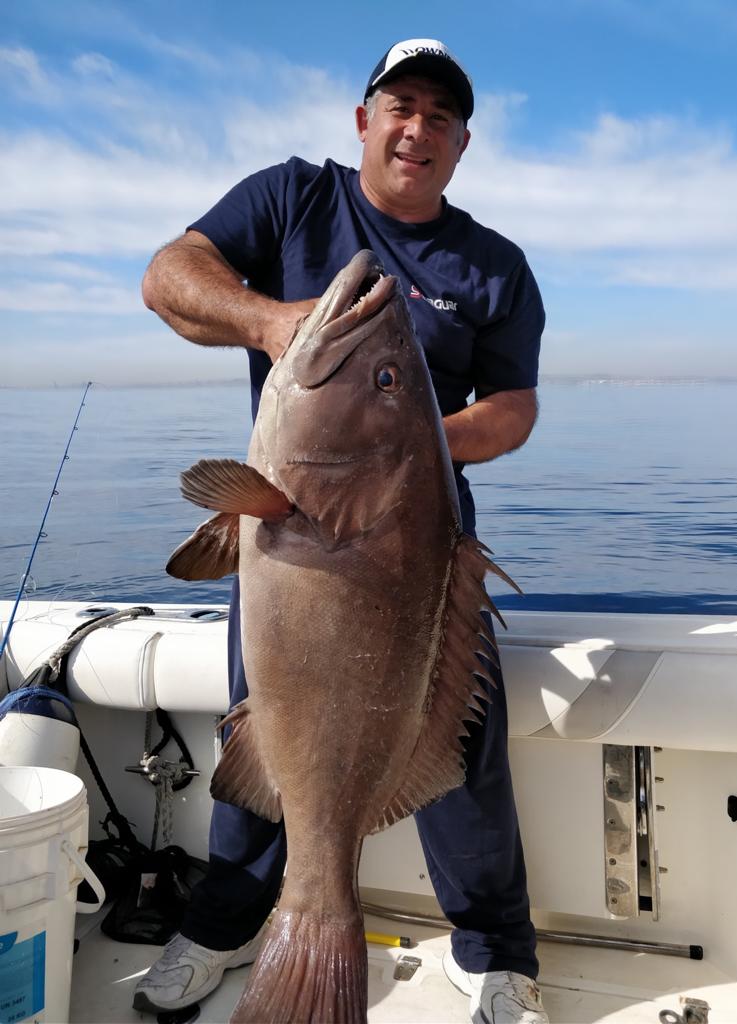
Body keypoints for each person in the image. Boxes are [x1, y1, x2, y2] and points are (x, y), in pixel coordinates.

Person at [136, 38, 548, 1024]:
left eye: (440, 117)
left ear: (461, 144)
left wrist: (406, 437)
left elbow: (514, 409)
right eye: (400, 106)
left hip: (427, 561)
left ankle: (497, 952)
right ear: (365, 121)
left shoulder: (494, 265)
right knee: (257, 726)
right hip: (286, 552)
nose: (418, 128)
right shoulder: (291, 200)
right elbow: (169, 278)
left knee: (462, 741)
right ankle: (234, 923)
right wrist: (273, 324)